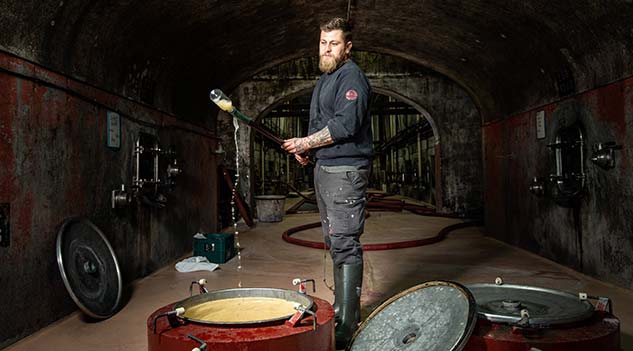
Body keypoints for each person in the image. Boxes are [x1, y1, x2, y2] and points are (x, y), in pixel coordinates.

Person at [281, 17, 372, 349]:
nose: (327, 48)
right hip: (327, 168)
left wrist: (306, 143)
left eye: (334, 43)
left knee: (346, 243)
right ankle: (341, 309)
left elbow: (345, 125)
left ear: (347, 47)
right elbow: (320, 124)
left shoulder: (352, 77)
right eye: (323, 42)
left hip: (345, 171)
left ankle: (349, 322)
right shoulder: (325, 80)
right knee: (335, 242)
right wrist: (307, 152)